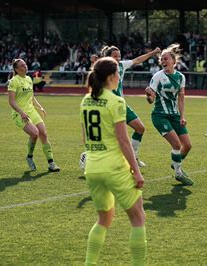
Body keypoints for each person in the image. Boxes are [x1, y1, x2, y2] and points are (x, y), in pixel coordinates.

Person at [81, 57, 146, 265]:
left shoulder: (86, 100)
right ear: (110, 77)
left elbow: (85, 137)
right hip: (114, 167)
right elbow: (124, 140)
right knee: (138, 218)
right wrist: (136, 171)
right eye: (118, 73)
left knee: (104, 219)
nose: (120, 76)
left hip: (92, 167)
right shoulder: (116, 101)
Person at [101, 45, 161, 167]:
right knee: (114, 137)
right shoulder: (103, 70)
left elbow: (137, 60)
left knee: (140, 128)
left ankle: (133, 156)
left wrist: (153, 52)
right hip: (109, 107)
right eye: (115, 56)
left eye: (119, 56)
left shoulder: (122, 65)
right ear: (108, 57)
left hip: (121, 105)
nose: (118, 58)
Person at [145, 43, 194, 186]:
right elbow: (151, 99)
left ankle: (176, 162)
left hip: (174, 115)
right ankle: (179, 173)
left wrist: (182, 116)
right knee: (177, 144)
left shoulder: (181, 77)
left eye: (165, 59)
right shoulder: (157, 77)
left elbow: (181, 97)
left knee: (188, 145)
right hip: (159, 115)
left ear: (173, 61)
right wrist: (148, 96)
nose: (163, 61)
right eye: (161, 59)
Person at [7, 59, 60, 172]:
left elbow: (31, 96)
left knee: (43, 134)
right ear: (16, 69)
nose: (25, 67)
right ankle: (29, 157)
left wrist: (39, 107)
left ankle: (51, 163)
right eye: (22, 66)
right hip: (19, 113)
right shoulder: (13, 81)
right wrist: (21, 113)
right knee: (35, 133)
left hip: (31, 111)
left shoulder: (29, 79)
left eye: (26, 65)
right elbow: (11, 101)